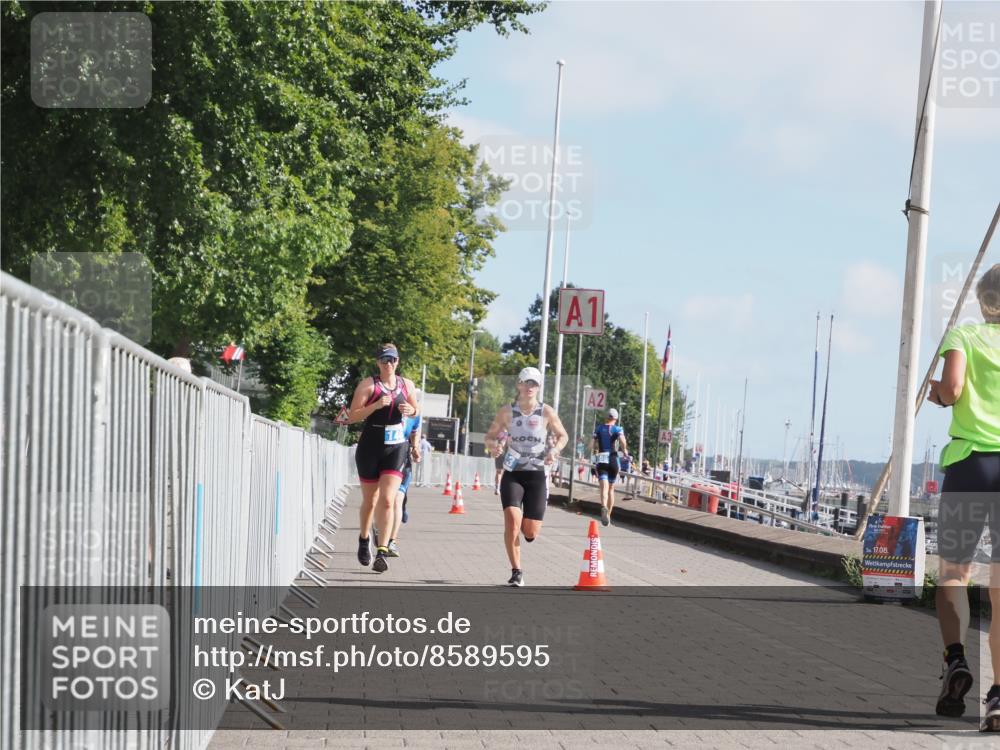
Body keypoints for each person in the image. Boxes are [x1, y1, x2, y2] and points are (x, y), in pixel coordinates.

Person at [926, 263, 1000, 730]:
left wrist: (934, 393)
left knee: (954, 571)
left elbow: (952, 390)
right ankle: (998, 699)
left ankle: (956, 659)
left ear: (982, 301)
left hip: (971, 463)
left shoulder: (965, 336)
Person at [484, 366, 568, 587]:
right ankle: (516, 571)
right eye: (526, 382)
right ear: (519, 385)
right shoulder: (507, 411)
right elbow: (490, 436)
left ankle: (528, 530)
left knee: (530, 531)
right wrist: (494, 447)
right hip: (513, 473)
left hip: (537, 474)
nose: (530, 387)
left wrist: (555, 450)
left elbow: (563, 435)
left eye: (534, 383)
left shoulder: (546, 412)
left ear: (539, 387)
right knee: (512, 521)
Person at [348, 343, 419, 574]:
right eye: (385, 360)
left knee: (388, 500)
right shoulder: (369, 385)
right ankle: (363, 537)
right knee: (370, 500)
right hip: (371, 445)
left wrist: (411, 410)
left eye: (393, 360)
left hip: (396, 446)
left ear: (398, 362)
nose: (389, 364)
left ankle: (382, 550)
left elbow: (416, 410)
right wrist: (376, 405)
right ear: (378, 362)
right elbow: (352, 417)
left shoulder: (406, 384)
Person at [386, 414, 422, 557]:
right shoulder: (387, 401)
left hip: (403, 458)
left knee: (397, 501)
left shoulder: (415, 411)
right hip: (382, 456)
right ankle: (379, 528)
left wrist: (415, 447)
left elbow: (415, 431)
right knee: (383, 500)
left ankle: (391, 542)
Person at [592, 408, 628, 526]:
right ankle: (608, 515)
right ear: (615, 419)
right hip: (613, 458)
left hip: (601, 459)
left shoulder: (598, 428)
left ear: (606, 417)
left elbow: (591, 444)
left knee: (603, 488)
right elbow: (622, 441)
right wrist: (625, 450)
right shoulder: (617, 429)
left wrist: (594, 451)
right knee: (611, 489)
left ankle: (603, 506)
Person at [493, 430, 508, 495]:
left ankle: (497, 488)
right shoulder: (509, 432)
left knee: (499, 471)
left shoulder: (498, 432)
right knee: (506, 472)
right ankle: (501, 488)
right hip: (506, 453)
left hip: (500, 452)